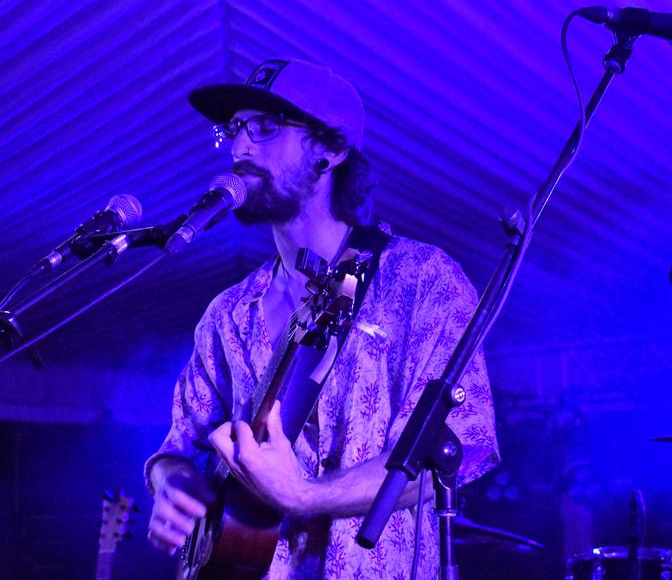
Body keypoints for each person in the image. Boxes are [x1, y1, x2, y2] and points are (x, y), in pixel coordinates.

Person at [143, 58, 499, 579]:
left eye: (265, 128)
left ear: (330, 150)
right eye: (234, 129)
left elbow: (461, 445)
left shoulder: (423, 280)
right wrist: (171, 484)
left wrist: (304, 496)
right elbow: (180, 446)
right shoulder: (227, 315)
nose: (241, 148)